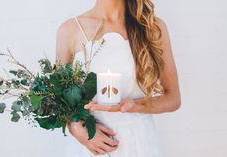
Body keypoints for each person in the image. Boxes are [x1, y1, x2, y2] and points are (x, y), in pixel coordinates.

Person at [55, 0, 181, 156]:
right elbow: (58, 98)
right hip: (90, 145)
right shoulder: (71, 29)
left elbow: (173, 98)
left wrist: (135, 106)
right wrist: (75, 127)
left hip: (139, 142)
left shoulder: (152, 27)